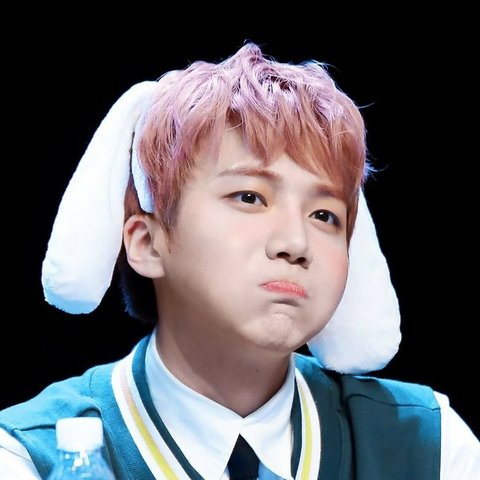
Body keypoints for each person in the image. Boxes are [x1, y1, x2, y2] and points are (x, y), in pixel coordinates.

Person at [0, 43, 478, 479]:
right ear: (146, 242)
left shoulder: (429, 448)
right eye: (249, 197)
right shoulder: (27, 457)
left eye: (324, 215)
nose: (295, 242)